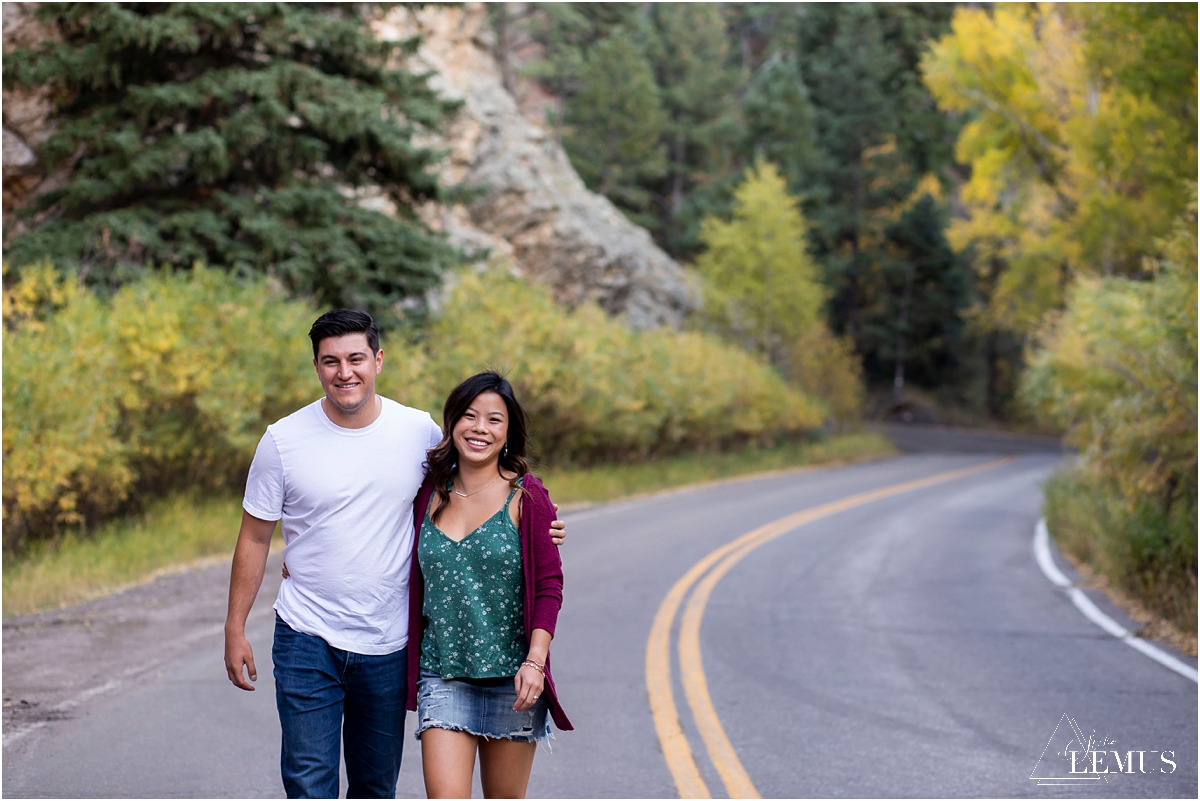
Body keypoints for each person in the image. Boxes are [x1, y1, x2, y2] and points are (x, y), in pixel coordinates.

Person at [223, 310, 566, 799]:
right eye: (331, 361)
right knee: (307, 780)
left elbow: (483, 485)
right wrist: (235, 626)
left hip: (389, 642)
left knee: (374, 787)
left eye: (357, 358)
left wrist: (541, 528)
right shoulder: (282, 441)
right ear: (316, 366)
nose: (345, 372)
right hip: (306, 633)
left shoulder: (418, 433)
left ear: (378, 360)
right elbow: (254, 538)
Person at [406, 372, 573, 799]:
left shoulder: (527, 497)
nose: (480, 428)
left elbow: (548, 585)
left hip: (513, 681)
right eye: (469, 416)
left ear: (508, 432)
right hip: (443, 674)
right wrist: (305, 560)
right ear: (452, 423)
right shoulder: (426, 493)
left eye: (494, 420)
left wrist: (535, 661)